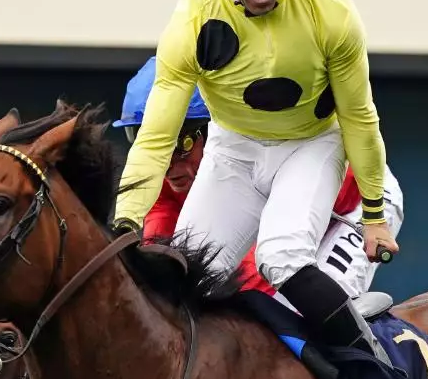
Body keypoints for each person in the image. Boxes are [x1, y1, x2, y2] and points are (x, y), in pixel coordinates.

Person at [111, 0, 428, 379]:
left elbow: (361, 120)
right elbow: (156, 134)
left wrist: (378, 217)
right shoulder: (189, 19)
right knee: (185, 273)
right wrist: (123, 224)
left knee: (283, 260)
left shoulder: (331, 13)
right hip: (237, 146)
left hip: (325, 155)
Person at [113, 56, 406, 305]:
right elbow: (164, 255)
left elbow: (256, 279)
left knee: (295, 304)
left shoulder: (242, 163)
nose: (167, 165)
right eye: (156, 147)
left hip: (357, 206)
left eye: (181, 144)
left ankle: (372, 365)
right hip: (291, 217)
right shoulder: (162, 181)